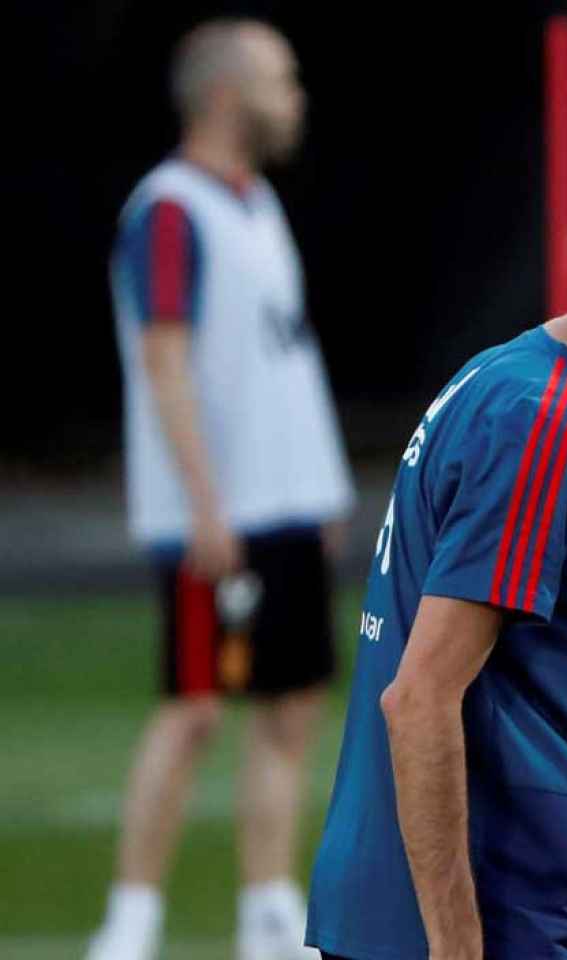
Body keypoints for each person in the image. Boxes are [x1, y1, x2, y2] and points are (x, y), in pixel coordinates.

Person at [303, 154, 567, 960]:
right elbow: (422, 696)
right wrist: (458, 945)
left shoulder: (512, 385)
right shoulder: (544, 421)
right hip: (493, 922)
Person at [93, 20, 354, 960]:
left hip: (284, 506)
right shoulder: (168, 210)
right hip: (218, 516)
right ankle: (130, 921)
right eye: (281, 80)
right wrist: (201, 503)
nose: (296, 98)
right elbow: (162, 359)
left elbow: (282, 357)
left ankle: (268, 915)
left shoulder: (260, 208)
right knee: (196, 705)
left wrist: (318, 485)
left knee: (290, 708)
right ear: (227, 96)